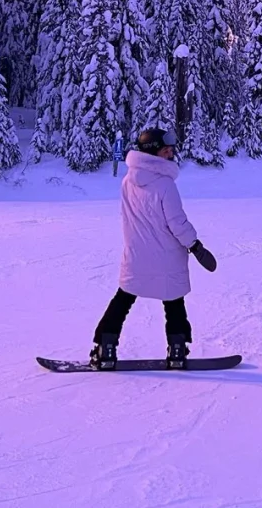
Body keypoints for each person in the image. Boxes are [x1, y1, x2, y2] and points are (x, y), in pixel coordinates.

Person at [90, 127, 218, 370]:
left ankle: (105, 349)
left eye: (171, 148)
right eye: (165, 148)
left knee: (123, 300)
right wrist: (196, 246)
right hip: (167, 257)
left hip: (136, 256)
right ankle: (177, 352)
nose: (170, 152)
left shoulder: (128, 181)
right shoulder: (165, 185)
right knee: (174, 303)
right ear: (152, 151)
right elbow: (177, 223)